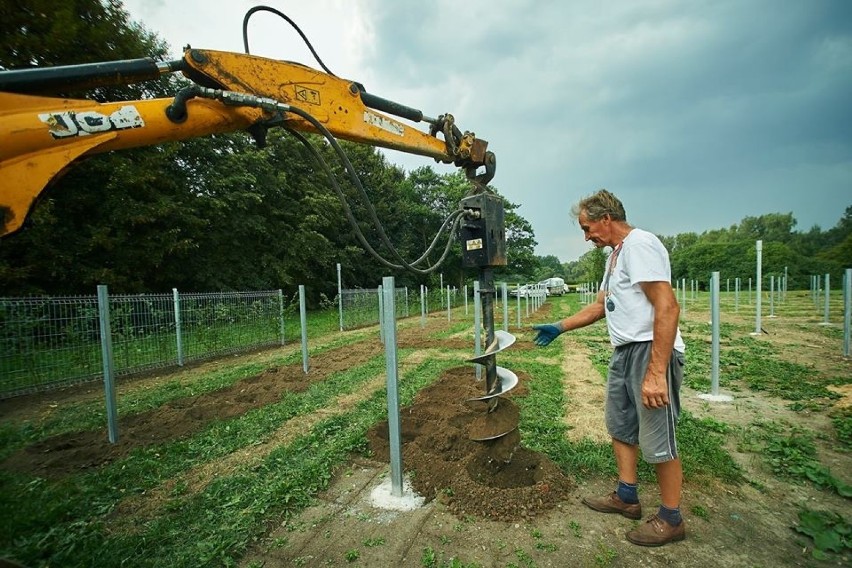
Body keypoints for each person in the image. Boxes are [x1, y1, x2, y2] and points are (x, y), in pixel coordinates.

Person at [533, 189, 686, 547]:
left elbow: (667, 308)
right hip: (624, 351)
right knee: (620, 425)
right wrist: (560, 326)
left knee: (658, 437)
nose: (586, 236)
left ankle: (671, 519)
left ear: (606, 218)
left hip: (649, 352)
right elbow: (602, 306)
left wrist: (655, 372)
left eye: (587, 228)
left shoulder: (640, 245)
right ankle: (627, 496)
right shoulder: (615, 256)